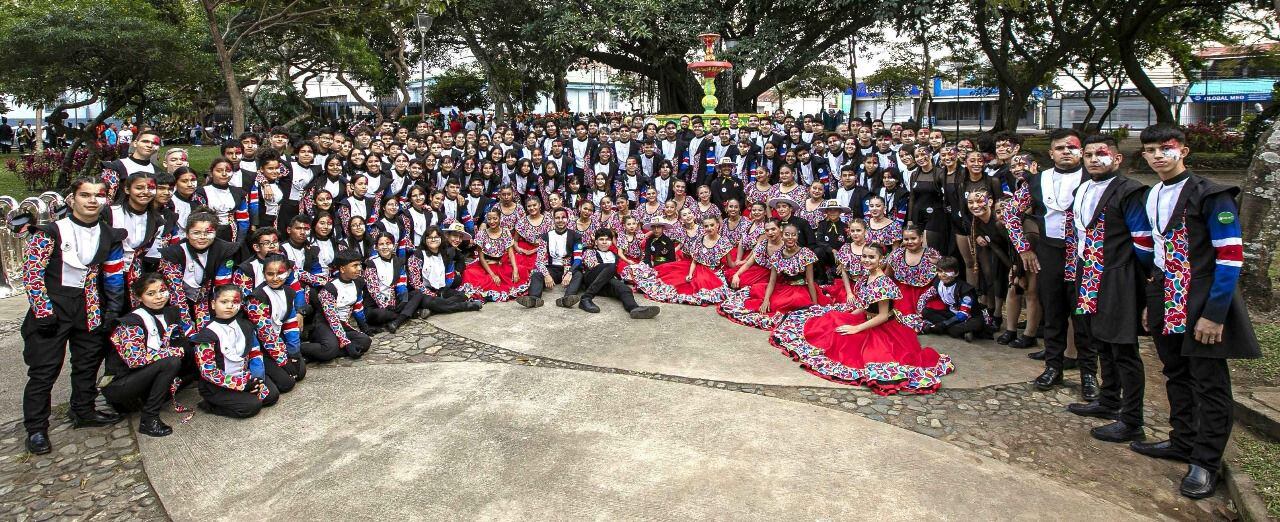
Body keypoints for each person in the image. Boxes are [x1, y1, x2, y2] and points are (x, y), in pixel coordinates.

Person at [1134, 125, 1259, 499]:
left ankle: (1206, 462)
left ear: (1183, 151)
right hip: (1163, 295)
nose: (1158, 155)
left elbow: (1230, 256)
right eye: (1151, 150)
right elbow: (1156, 249)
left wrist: (1215, 313)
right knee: (1175, 373)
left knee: (1210, 382)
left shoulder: (1212, 194)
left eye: (1166, 148)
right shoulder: (1153, 193)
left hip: (1200, 299)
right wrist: (1149, 301)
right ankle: (1182, 440)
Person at [21, 178, 128, 454]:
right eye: (85, 195)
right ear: (73, 199)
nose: (92, 200)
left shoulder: (108, 233)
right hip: (53, 304)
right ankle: (36, 428)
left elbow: (109, 274)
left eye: (99, 195)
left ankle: (83, 409)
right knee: (44, 370)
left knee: (87, 361)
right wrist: (43, 311)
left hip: (88, 305)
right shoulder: (50, 231)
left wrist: (108, 310)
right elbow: (33, 274)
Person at [1060, 133, 1154, 444]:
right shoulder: (1083, 188)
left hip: (1119, 276)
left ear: (1117, 158)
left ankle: (1132, 419)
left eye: (1101, 154)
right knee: (1100, 340)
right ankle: (1108, 398)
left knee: (1123, 349)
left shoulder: (1130, 191)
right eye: (1088, 155)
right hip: (1088, 275)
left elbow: (1143, 243)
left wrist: (1140, 284)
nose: (1093, 160)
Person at [770, 242, 954, 395]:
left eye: (871, 257)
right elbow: (864, 305)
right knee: (833, 321)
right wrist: (848, 318)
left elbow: (882, 315)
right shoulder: (867, 276)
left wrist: (857, 328)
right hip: (866, 318)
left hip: (883, 329)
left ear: (881, 260)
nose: (866, 260)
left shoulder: (883, 283)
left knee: (859, 351)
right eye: (864, 256)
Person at [102, 274, 186, 437]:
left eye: (162, 291)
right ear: (139, 296)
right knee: (171, 362)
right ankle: (149, 419)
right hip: (121, 383)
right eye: (151, 293)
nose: (159, 297)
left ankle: (148, 398)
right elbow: (135, 359)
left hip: (143, 376)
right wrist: (171, 352)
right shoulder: (131, 322)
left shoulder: (170, 313)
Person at [191, 285, 279, 418]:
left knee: (271, 396)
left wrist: (257, 379)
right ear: (214, 304)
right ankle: (211, 405)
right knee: (251, 406)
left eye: (235, 302)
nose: (229, 306)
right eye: (224, 302)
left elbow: (255, 353)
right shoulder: (207, 334)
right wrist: (242, 385)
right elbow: (208, 372)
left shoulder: (245, 326)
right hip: (217, 385)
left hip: (244, 376)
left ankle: (245, 393)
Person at [719, 223, 827, 330]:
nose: (790, 238)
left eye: (793, 235)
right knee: (761, 293)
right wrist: (766, 300)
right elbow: (772, 281)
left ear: (797, 236)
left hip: (801, 289)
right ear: (782, 235)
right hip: (784, 287)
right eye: (787, 234)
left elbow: (810, 281)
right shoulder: (777, 255)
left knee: (796, 300)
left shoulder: (806, 254)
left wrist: (815, 304)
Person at [629, 215, 732, 306]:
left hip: (712, 271)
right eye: (706, 226)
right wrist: (690, 274)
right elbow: (694, 260)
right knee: (673, 277)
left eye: (712, 225)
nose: (709, 228)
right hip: (695, 267)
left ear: (718, 225)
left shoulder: (724, 242)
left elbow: (730, 263)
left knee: (701, 285)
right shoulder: (700, 239)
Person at [245, 256, 312, 390]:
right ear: (264, 274)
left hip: (276, 340)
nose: (275, 278)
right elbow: (265, 334)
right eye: (270, 274)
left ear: (287, 273)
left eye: (280, 273)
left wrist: (293, 354)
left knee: (299, 372)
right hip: (260, 346)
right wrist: (283, 361)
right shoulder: (257, 298)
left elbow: (291, 325)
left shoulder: (288, 292)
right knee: (287, 383)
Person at [572, 228, 660, 319]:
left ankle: (634, 308)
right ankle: (586, 298)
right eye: (601, 239)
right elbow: (592, 265)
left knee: (625, 289)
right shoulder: (590, 252)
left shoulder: (614, 255)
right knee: (610, 266)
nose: (604, 242)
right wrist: (611, 269)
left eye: (607, 240)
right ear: (596, 242)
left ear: (611, 242)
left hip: (605, 284)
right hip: (592, 279)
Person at [313, 249, 374, 361]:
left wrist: (364, 328)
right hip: (324, 324)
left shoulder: (358, 283)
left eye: (359, 265)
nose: (359, 269)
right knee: (330, 349)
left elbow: (358, 308)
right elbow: (332, 319)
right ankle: (306, 351)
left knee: (365, 341)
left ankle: (325, 351)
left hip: (343, 324)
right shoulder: (329, 288)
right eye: (354, 266)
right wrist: (346, 342)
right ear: (342, 269)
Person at [517, 208, 583, 308]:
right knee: (536, 274)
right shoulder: (545, 236)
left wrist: (570, 273)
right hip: (551, 268)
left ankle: (567, 299)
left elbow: (578, 259)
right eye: (557, 218)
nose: (560, 220)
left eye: (563, 217)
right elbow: (539, 260)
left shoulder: (575, 236)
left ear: (568, 219)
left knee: (578, 274)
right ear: (553, 220)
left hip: (568, 268)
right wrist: (546, 275)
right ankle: (534, 299)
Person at [363, 233, 426, 334]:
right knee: (381, 314)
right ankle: (408, 314)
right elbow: (374, 290)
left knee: (418, 294)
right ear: (376, 247)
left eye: (388, 243)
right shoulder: (371, 264)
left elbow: (402, 284)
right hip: (376, 305)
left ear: (394, 245)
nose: (385, 247)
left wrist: (404, 300)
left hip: (393, 300)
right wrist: (386, 305)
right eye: (381, 244)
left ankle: (396, 322)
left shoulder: (398, 262)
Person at [920, 256, 986, 341]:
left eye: (947, 271)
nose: (943, 274)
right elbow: (925, 296)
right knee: (926, 312)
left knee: (965, 326)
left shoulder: (965, 290)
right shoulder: (937, 282)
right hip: (953, 313)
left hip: (970, 317)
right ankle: (962, 332)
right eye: (940, 271)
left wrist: (943, 324)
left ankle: (945, 329)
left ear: (956, 273)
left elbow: (963, 314)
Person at [101, 128, 160, 202]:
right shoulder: (116, 167)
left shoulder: (158, 172)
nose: (150, 145)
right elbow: (106, 199)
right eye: (145, 141)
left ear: (158, 148)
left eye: (155, 143)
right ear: (135, 143)